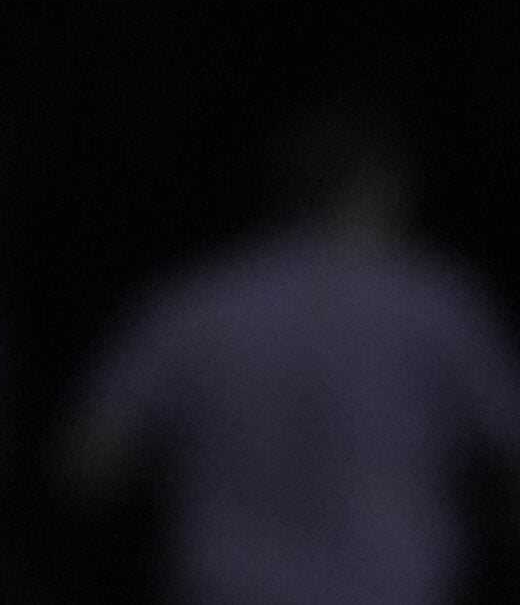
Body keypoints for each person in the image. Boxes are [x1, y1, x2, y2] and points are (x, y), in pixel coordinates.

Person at [65, 108, 520, 605]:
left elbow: (90, 464)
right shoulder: (437, 300)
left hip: (228, 585)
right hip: (393, 586)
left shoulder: (199, 299)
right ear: (383, 184)